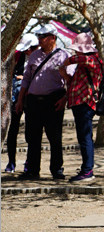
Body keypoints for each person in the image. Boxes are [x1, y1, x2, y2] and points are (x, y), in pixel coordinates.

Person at [15, 29, 70, 180]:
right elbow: (26, 79)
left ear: (52, 38)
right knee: (32, 137)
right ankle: (32, 169)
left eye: (43, 36)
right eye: (39, 36)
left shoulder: (63, 56)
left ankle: (57, 169)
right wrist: (20, 100)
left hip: (53, 101)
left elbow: (70, 80)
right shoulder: (34, 55)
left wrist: (65, 98)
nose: (39, 39)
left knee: (54, 137)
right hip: (33, 101)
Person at [58, 33, 103, 182]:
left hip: (86, 104)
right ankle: (86, 168)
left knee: (85, 138)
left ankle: (87, 170)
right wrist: (65, 75)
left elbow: (79, 59)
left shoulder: (92, 61)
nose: (76, 52)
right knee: (83, 138)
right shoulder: (83, 64)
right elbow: (74, 83)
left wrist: (67, 61)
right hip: (79, 103)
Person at [6, 33, 39, 173]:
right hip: (16, 98)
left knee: (31, 132)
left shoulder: (39, 57)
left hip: (32, 98)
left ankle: (29, 163)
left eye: (28, 49)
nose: (27, 52)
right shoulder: (18, 56)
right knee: (12, 130)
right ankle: (11, 162)